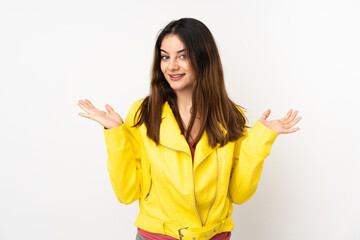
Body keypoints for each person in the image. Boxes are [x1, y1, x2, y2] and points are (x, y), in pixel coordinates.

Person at [77, 18, 301, 240]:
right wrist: (116, 133)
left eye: (182, 56)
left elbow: (239, 194)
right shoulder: (143, 113)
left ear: (203, 58)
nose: (171, 65)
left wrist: (259, 139)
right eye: (165, 57)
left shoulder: (230, 116)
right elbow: (126, 193)